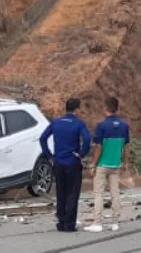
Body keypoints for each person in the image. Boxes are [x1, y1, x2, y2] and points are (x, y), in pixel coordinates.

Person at [40, 98, 91, 232]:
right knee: (73, 193)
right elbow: (86, 139)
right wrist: (81, 153)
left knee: (60, 192)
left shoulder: (56, 122)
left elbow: (43, 138)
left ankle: (61, 222)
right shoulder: (79, 124)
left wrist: (50, 156)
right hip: (72, 163)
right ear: (77, 109)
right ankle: (69, 224)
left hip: (58, 162)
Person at [84, 97, 130, 233]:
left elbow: (98, 147)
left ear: (105, 109)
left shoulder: (101, 126)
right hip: (116, 165)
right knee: (114, 193)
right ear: (117, 109)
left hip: (102, 165)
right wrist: (126, 162)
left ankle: (97, 222)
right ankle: (115, 222)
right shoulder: (124, 126)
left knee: (98, 193)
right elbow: (127, 146)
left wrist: (93, 164)